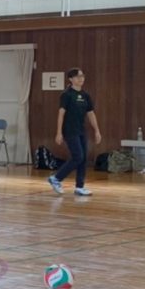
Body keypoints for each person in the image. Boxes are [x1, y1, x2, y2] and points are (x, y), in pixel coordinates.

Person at [48, 67, 102, 196]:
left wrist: (97, 131)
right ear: (71, 79)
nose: (81, 78)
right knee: (78, 156)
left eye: (82, 76)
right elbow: (61, 114)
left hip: (81, 130)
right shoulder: (67, 95)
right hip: (70, 130)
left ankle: (79, 187)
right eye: (78, 76)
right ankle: (56, 178)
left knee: (83, 159)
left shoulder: (85, 96)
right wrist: (59, 132)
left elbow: (91, 114)